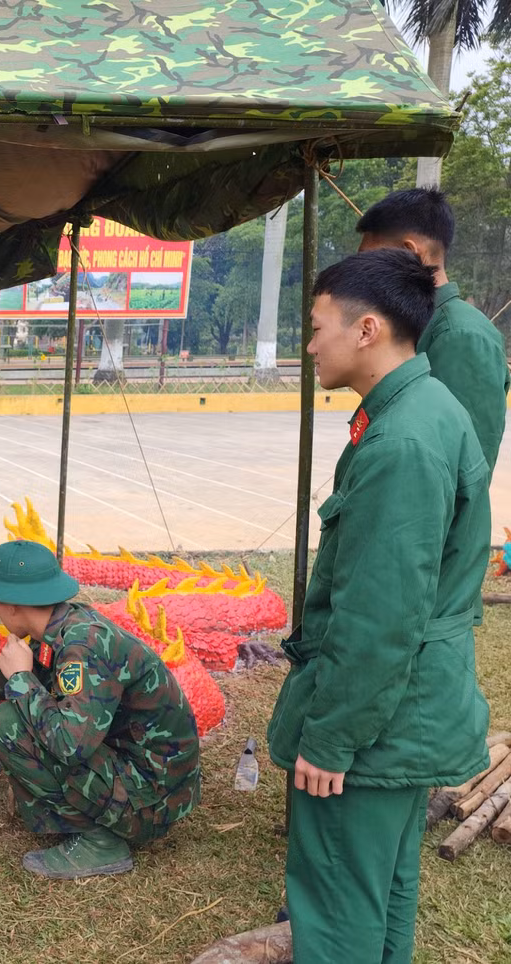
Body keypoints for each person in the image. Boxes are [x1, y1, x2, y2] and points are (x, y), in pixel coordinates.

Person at [268, 249, 491, 962]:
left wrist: (331, 737)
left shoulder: (401, 441)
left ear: (367, 330)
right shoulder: (424, 407)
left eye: (317, 326)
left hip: (379, 723)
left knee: (336, 907)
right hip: (409, 709)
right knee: (381, 892)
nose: (309, 344)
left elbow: (380, 616)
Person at [0, 539, 201, 879]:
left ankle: (102, 842)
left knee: (11, 723)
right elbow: (25, 671)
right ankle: (87, 817)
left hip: (154, 801)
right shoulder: (64, 624)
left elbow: (70, 745)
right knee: (21, 710)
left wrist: (21, 678)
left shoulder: (83, 647)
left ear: (11, 605)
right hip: (148, 774)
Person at [357, 187, 510, 475]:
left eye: (369, 259)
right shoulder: (416, 326)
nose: (363, 272)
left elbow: (462, 469)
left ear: (409, 252)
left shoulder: (460, 336)